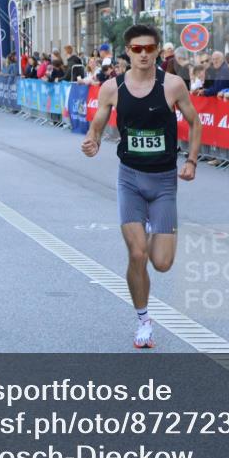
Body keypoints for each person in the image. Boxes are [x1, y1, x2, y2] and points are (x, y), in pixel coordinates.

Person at [81, 24, 203, 350]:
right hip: (130, 178)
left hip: (164, 181)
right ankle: (143, 320)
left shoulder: (173, 85)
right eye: (137, 49)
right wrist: (92, 139)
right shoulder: (112, 88)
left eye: (150, 48)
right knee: (137, 253)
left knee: (161, 263)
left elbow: (195, 122)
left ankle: (152, 226)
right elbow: (99, 119)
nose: (144, 54)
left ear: (157, 50)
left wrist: (191, 161)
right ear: (128, 52)